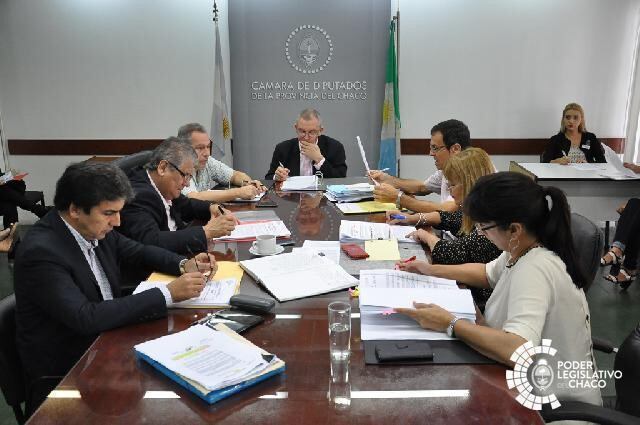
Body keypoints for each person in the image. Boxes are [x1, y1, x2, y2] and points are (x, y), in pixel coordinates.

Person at [14, 162, 215, 415]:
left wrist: (184, 264)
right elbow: (86, 317)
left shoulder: (93, 228)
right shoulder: (41, 252)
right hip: (73, 370)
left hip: (109, 343)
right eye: (109, 213)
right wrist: (167, 293)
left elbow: (139, 251)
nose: (117, 222)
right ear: (75, 209)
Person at [394, 172, 601, 409]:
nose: (481, 233)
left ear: (514, 229)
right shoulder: (523, 248)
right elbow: (486, 273)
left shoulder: (536, 267)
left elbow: (518, 348)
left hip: (551, 405)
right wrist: (431, 270)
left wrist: (450, 323)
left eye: (484, 227)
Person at [387, 148, 501, 311]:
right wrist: (413, 218)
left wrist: (426, 236)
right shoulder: (477, 208)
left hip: (480, 302)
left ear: (470, 184)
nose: (449, 189)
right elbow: (450, 218)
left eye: (453, 184)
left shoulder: (490, 223)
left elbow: (450, 253)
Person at [118, 137, 237, 257]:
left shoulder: (163, 187)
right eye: (185, 175)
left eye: (190, 177)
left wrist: (213, 208)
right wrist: (206, 232)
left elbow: (187, 205)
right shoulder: (137, 195)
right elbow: (151, 241)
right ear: (162, 168)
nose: (187, 183)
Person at [370, 119, 471, 213]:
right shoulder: (446, 171)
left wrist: (398, 197)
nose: (431, 153)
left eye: (435, 148)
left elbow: (447, 210)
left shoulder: (469, 172)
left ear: (455, 149)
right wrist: (388, 179)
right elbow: (422, 187)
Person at [177, 123, 266, 202]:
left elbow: (234, 175)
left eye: (208, 147)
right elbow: (193, 197)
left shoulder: (207, 161)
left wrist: (249, 184)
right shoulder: (179, 166)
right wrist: (238, 192)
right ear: (184, 149)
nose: (207, 153)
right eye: (200, 148)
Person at [265, 108, 347, 180]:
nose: (306, 137)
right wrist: (276, 177)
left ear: (320, 131)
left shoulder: (335, 147)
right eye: (302, 131)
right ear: (296, 128)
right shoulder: (282, 148)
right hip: (292, 196)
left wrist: (319, 160)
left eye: (312, 132)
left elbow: (341, 178)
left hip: (322, 196)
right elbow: (269, 177)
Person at [541, 102, 606, 164]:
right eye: (568, 117)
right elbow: (545, 162)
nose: (571, 121)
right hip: (563, 175)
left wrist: (587, 163)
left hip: (586, 174)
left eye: (575, 118)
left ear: (581, 119)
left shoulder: (590, 138)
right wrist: (556, 161)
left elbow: (602, 161)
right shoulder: (555, 139)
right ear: (563, 119)